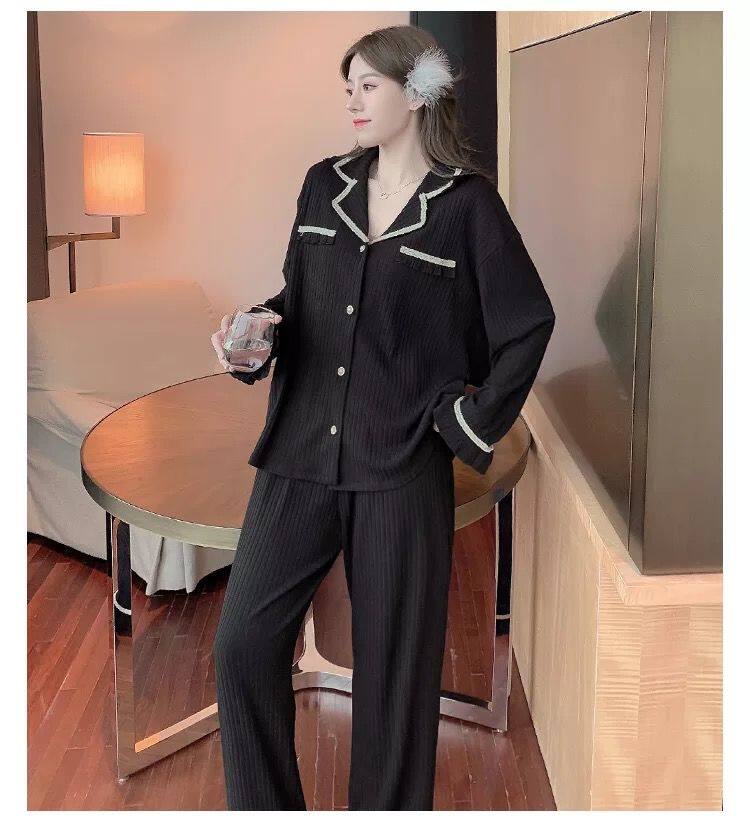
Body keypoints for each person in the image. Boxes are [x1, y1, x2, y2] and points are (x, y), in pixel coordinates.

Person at [210, 24, 556, 811]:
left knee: (395, 683)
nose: (354, 101)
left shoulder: (466, 206)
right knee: (242, 647)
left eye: (369, 85)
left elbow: (527, 323)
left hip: (399, 467)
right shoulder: (322, 185)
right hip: (299, 452)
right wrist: (253, 335)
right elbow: (301, 300)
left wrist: (465, 424)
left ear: (418, 92)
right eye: (349, 88)